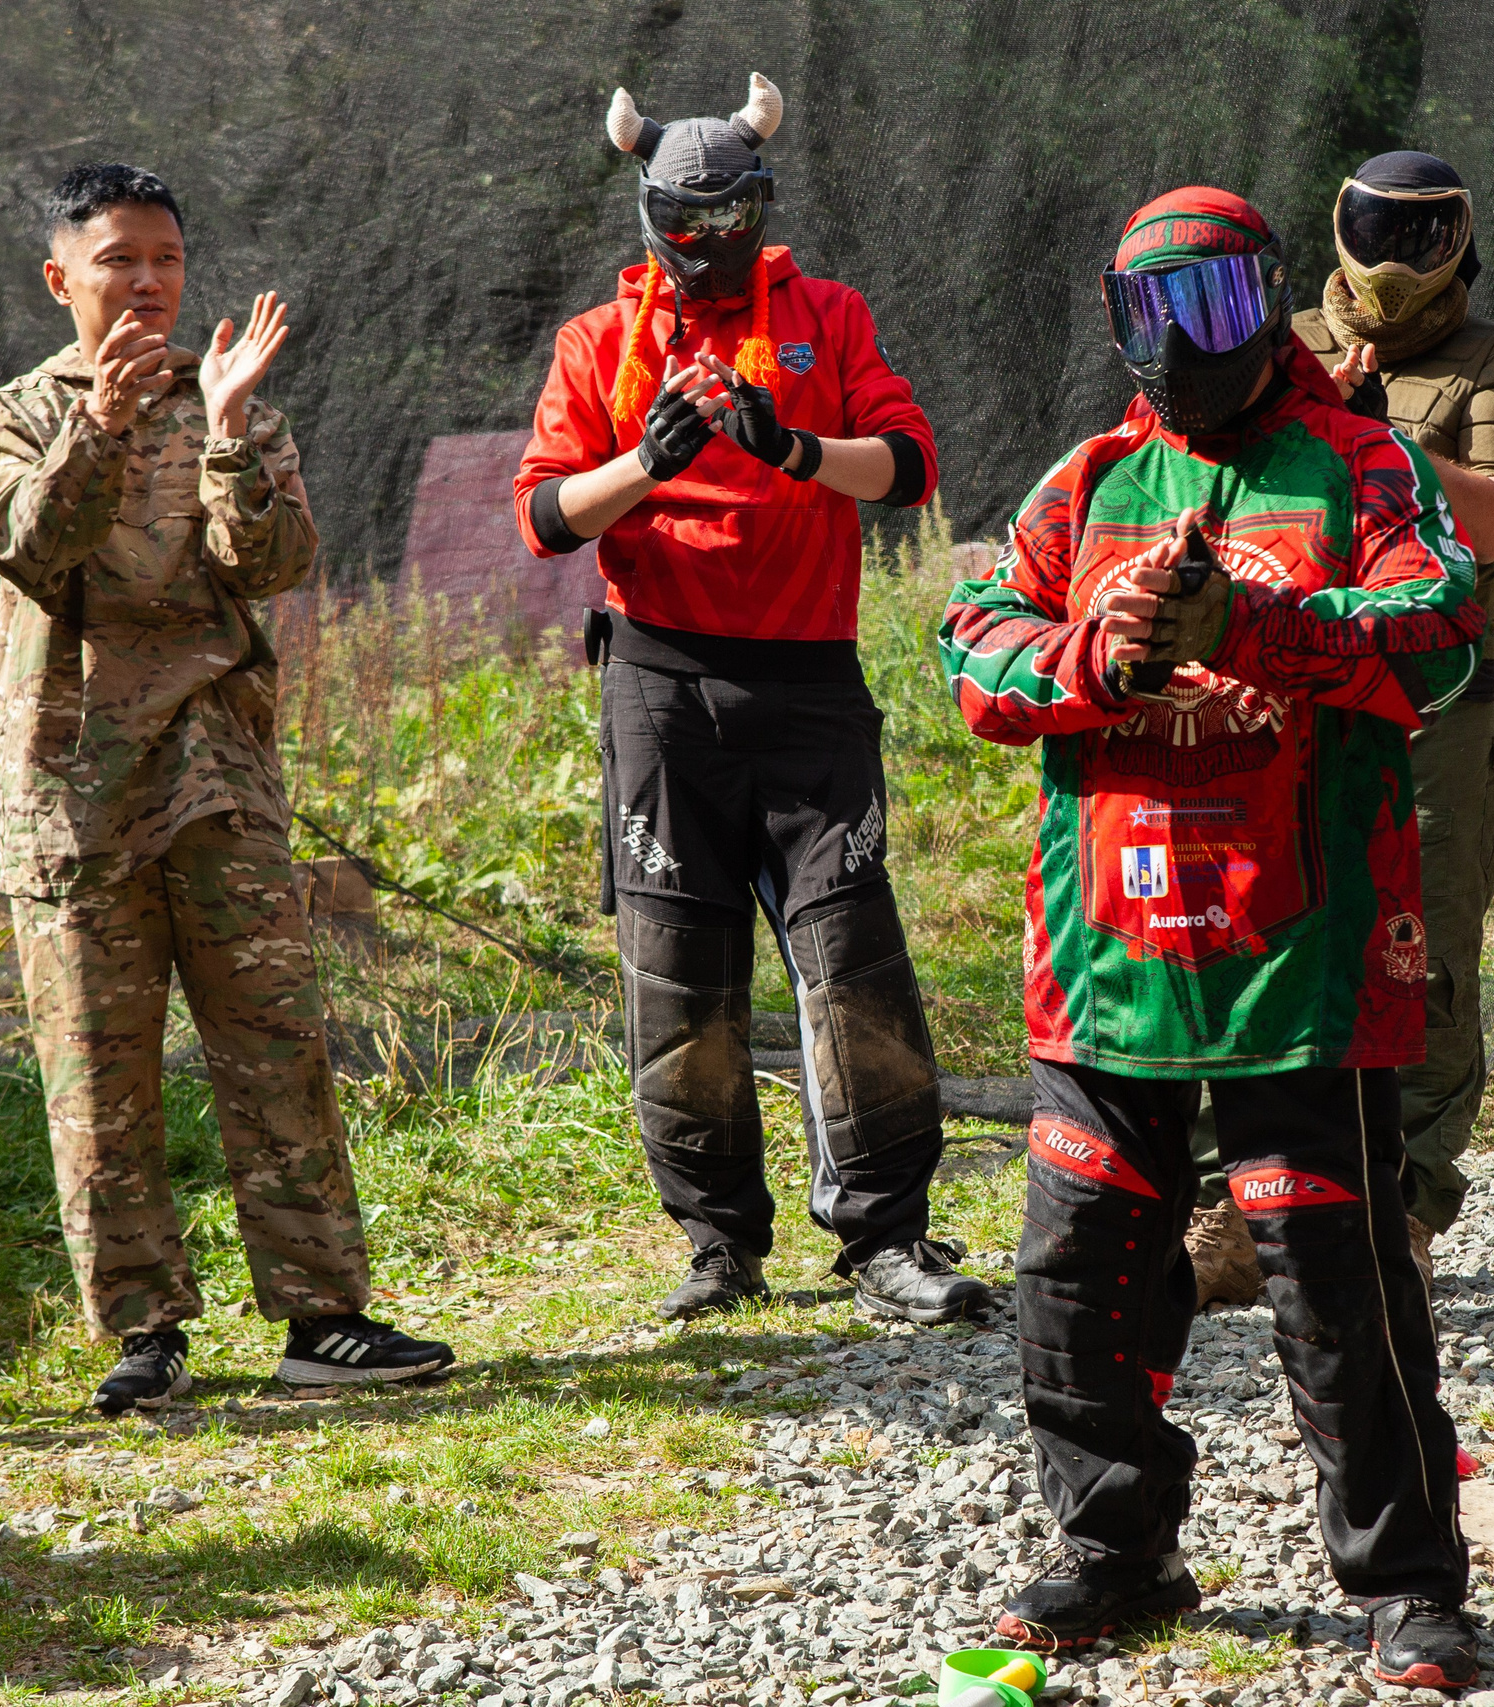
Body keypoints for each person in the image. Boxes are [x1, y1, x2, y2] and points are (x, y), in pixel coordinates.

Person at [936, 188, 1486, 1687]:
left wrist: (1250, 630)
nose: (1187, 348)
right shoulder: (1091, 477)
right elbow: (967, 643)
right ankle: (1116, 1550)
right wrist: (1095, 654)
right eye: (1155, 319)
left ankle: (1408, 1579)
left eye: (1220, 310)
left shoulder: (1358, 463)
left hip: (1297, 955)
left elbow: (1441, 634)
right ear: (1118, 328)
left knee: (1331, 1272)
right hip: (1110, 949)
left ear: (1272, 304)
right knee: (1075, 1275)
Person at [0, 163, 452, 1413]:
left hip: (217, 770)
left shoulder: (227, 402)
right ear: (61, 277)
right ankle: (142, 1330)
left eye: (167, 257)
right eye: (120, 258)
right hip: (75, 789)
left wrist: (228, 436)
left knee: (273, 1045)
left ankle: (323, 1317)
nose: (149, 282)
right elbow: (26, 544)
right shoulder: (9, 417)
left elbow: (275, 564)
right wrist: (102, 430)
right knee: (97, 1066)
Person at [513, 74, 988, 1326]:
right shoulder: (598, 342)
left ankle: (887, 1238)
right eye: (690, 221)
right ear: (651, 217)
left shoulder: (825, 315)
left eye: (736, 217)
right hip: (662, 690)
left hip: (809, 684)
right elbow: (545, 517)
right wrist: (647, 460)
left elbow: (909, 468)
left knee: (853, 960)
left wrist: (788, 447)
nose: (714, 243)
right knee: (681, 972)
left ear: (762, 209)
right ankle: (719, 1245)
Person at [1184, 152, 1494, 1308]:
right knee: (1249, 937)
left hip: (1427, 706)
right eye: (1374, 234)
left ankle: (1401, 1210)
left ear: (1455, 249)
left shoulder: (1490, 359)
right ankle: (1229, 1210)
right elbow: (1192, 461)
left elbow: (1488, 519)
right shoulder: (1271, 335)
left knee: (1424, 955)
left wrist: (1370, 432)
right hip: (1279, 694)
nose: (1390, 264)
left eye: (1419, 239)